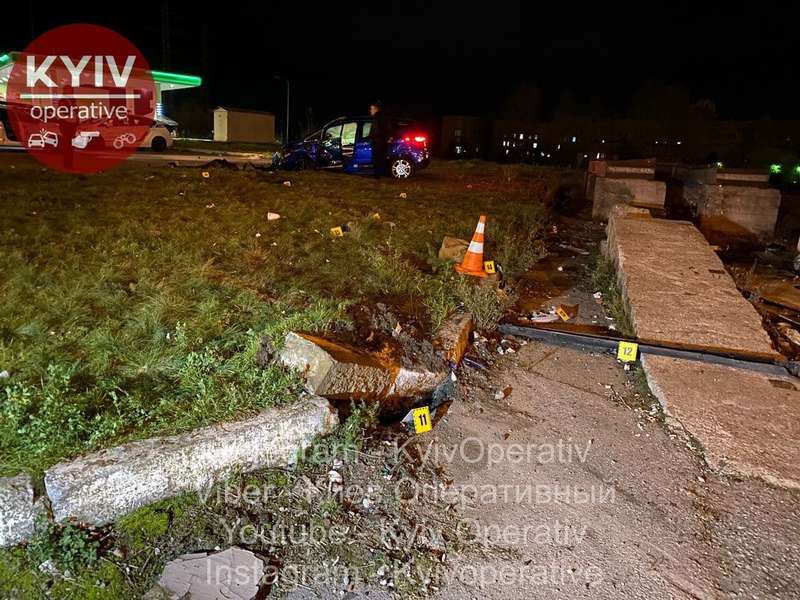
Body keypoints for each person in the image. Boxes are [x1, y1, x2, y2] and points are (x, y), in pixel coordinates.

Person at [368, 100, 390, 178]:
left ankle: (377, 175)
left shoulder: (376, 118)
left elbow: (376, 130)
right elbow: (387, 129)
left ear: (376, 109)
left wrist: (370, 136)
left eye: (371, 108)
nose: (370, 110)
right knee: (383, 158)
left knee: (376, 159)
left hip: (377, 142)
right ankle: (386, 174)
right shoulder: (384, 117)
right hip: (383, 142)